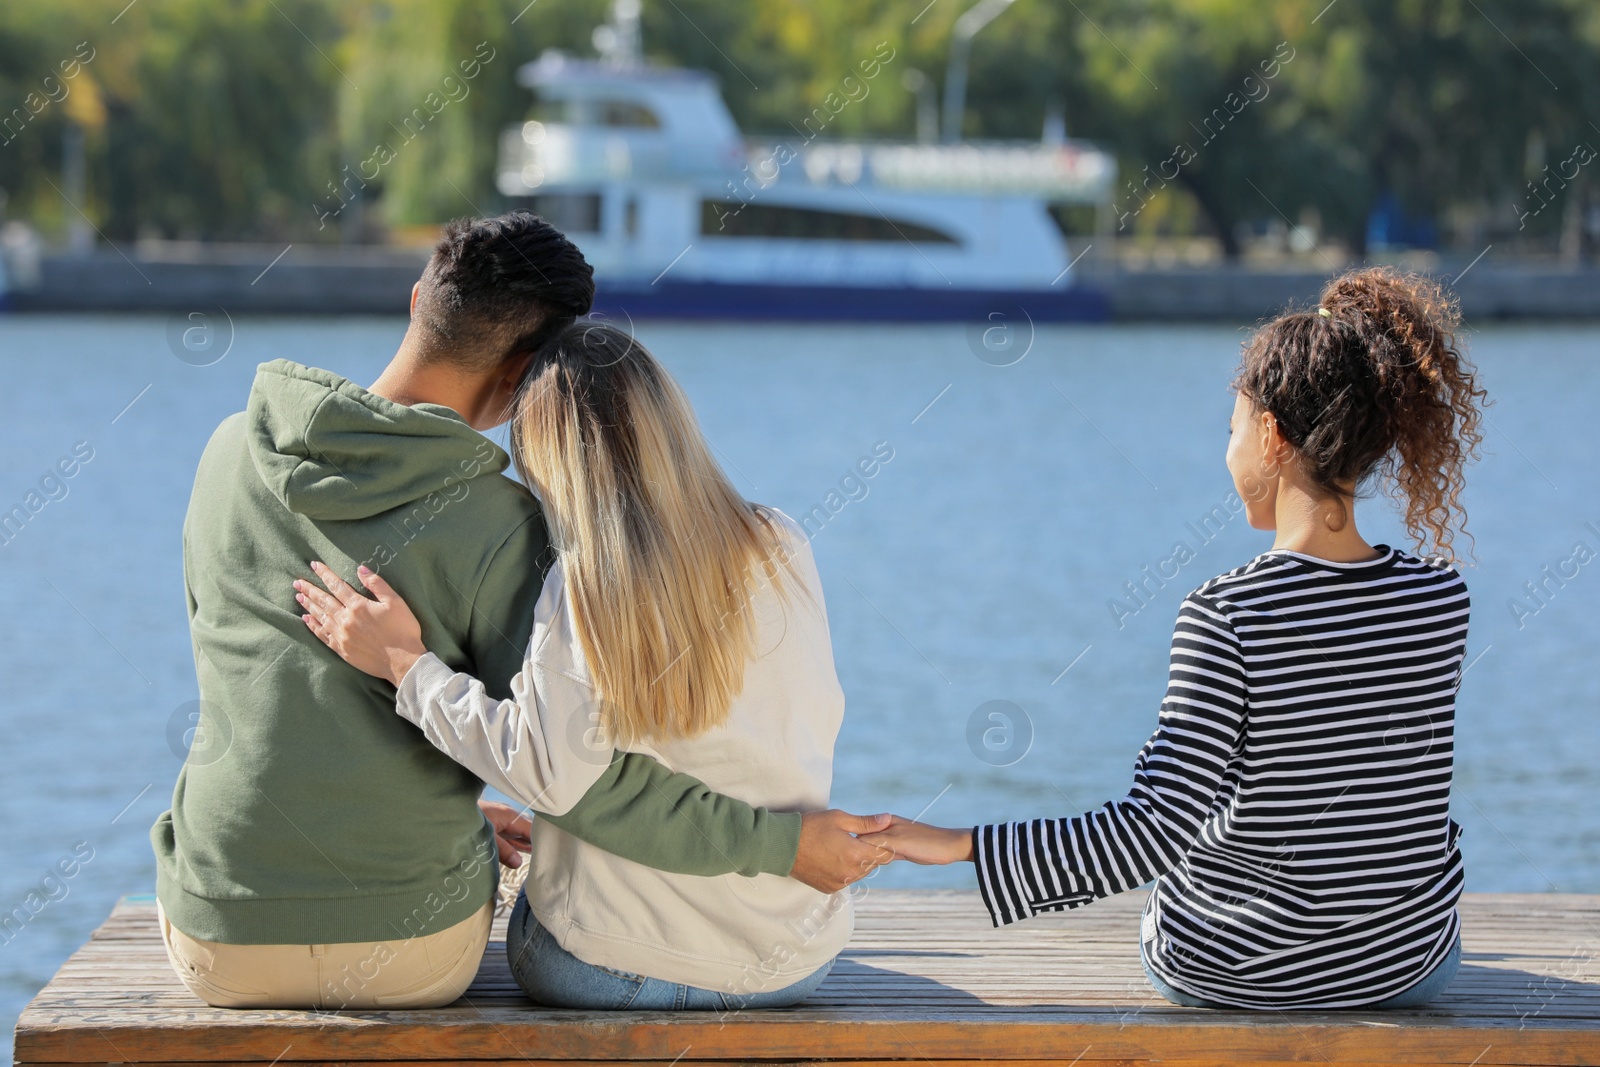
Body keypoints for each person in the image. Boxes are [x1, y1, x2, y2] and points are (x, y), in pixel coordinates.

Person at [154, 213, 887, 1011]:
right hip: (413, 951)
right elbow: (581, 784)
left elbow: (257, 690)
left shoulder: (229, 454)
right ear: (524, 379)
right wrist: (781, 847)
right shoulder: (506, 528)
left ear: (415, 301)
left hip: (217, 937)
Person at [865, 267, 1486, 1010]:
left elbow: (1153, 833)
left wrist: (953, 843)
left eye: (1231, 431)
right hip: (1404, 964)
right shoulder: (1440, 597)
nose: (1228, 453)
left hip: (1241, 972)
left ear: (1271, 436)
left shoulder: (1225, 615)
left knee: (1178, 895)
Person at [298, 321, 856, 1011]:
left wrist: (406, 664)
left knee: (529, 903)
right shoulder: (780, 540)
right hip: (794, 963)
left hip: (610, 969)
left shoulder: (585, 584)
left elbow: (547, 775)